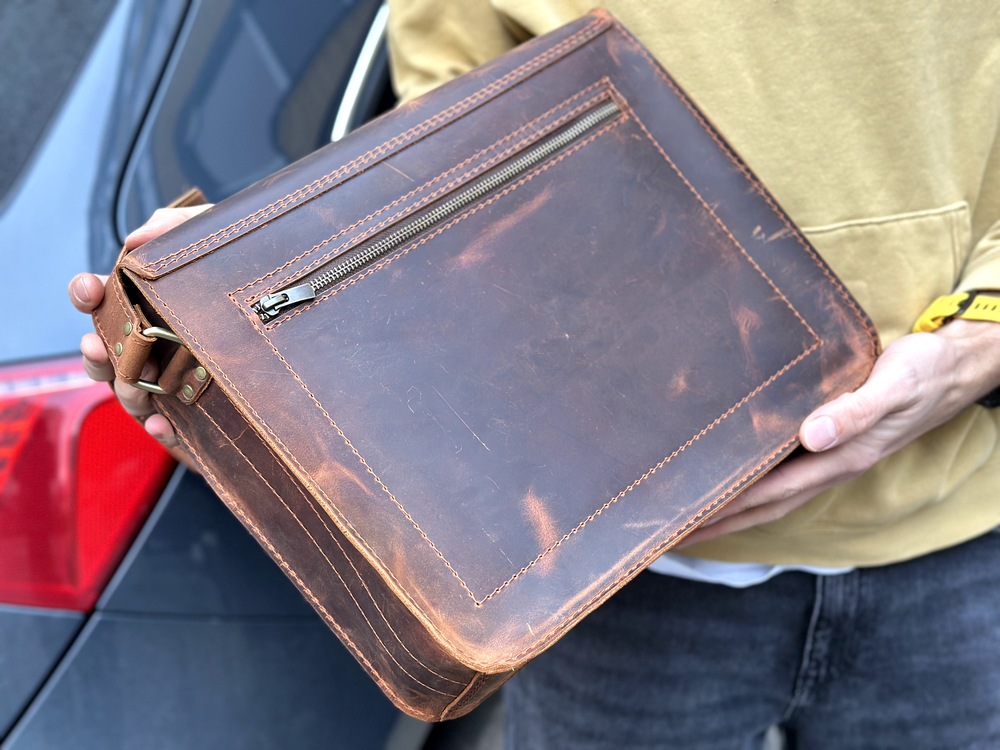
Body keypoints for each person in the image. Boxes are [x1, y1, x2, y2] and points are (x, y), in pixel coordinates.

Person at [70, 1, 1000, 747]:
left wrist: (981, 336)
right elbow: (443, 173)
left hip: (955, 533)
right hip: (610, 577)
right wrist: (237, 313)